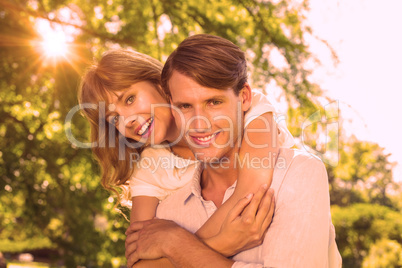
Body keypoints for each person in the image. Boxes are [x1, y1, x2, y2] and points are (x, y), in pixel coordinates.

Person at [125, 34, 342, 267]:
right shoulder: (168, 215)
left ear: (245, 98)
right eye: (185, 106)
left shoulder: (299, 174)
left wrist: (178, 245)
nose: (199, 124)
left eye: (214, 102)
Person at [78, 42, 294, 260]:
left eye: (130, 99)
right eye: (114, 118)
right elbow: (138, 261)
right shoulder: (150, 168)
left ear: (159, 84)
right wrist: (222, 243)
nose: (128, 120)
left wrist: (175, 245)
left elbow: (251, 191)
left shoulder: (244, 110)